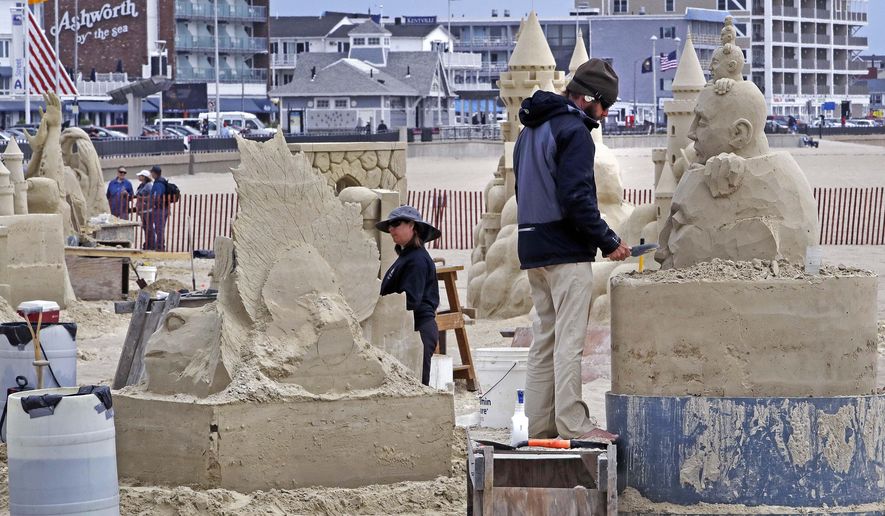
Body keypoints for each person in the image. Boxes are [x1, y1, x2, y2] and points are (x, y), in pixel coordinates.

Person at [513, 58, 630, 441]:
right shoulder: (574, 131)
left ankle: (538, 426)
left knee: (544, 338)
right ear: (589, 99)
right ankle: (574, 424)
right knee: (569, 342)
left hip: (532, 246)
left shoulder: (529, 129)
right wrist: (608, 241)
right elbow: (576, 197)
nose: (607, 114)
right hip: (565, 251)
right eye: (605, 105)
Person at [376, 205, 442, 386]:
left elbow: (410, 301)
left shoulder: (417, 259)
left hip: (416, 330)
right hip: (408, 329)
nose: (391, 229)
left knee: (418, 386)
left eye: (396, 224)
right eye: (390, 225)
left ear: (412, 225)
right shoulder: (408, 256)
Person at [149, 165, 169, 251]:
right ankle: (160, 246)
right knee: (160, 228)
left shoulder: (158, 183)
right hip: (164, 208)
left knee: (159, 228)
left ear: (154, 173)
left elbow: (156, 196)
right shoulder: (162, 181)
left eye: (152, 172)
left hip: (160, 209)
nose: (151, 174)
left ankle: (160, 247)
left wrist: (153, 203)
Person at [134, 170, 154, 249]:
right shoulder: (142, 185)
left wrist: (142, 198)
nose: (139, 177)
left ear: (144, 177)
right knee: (146, 228)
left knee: (149, 229)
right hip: (143, 211)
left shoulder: (149, 185)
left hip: (148, 211)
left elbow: (152, 197)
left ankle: (152, 245)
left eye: (140, 176)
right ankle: (148, 244)